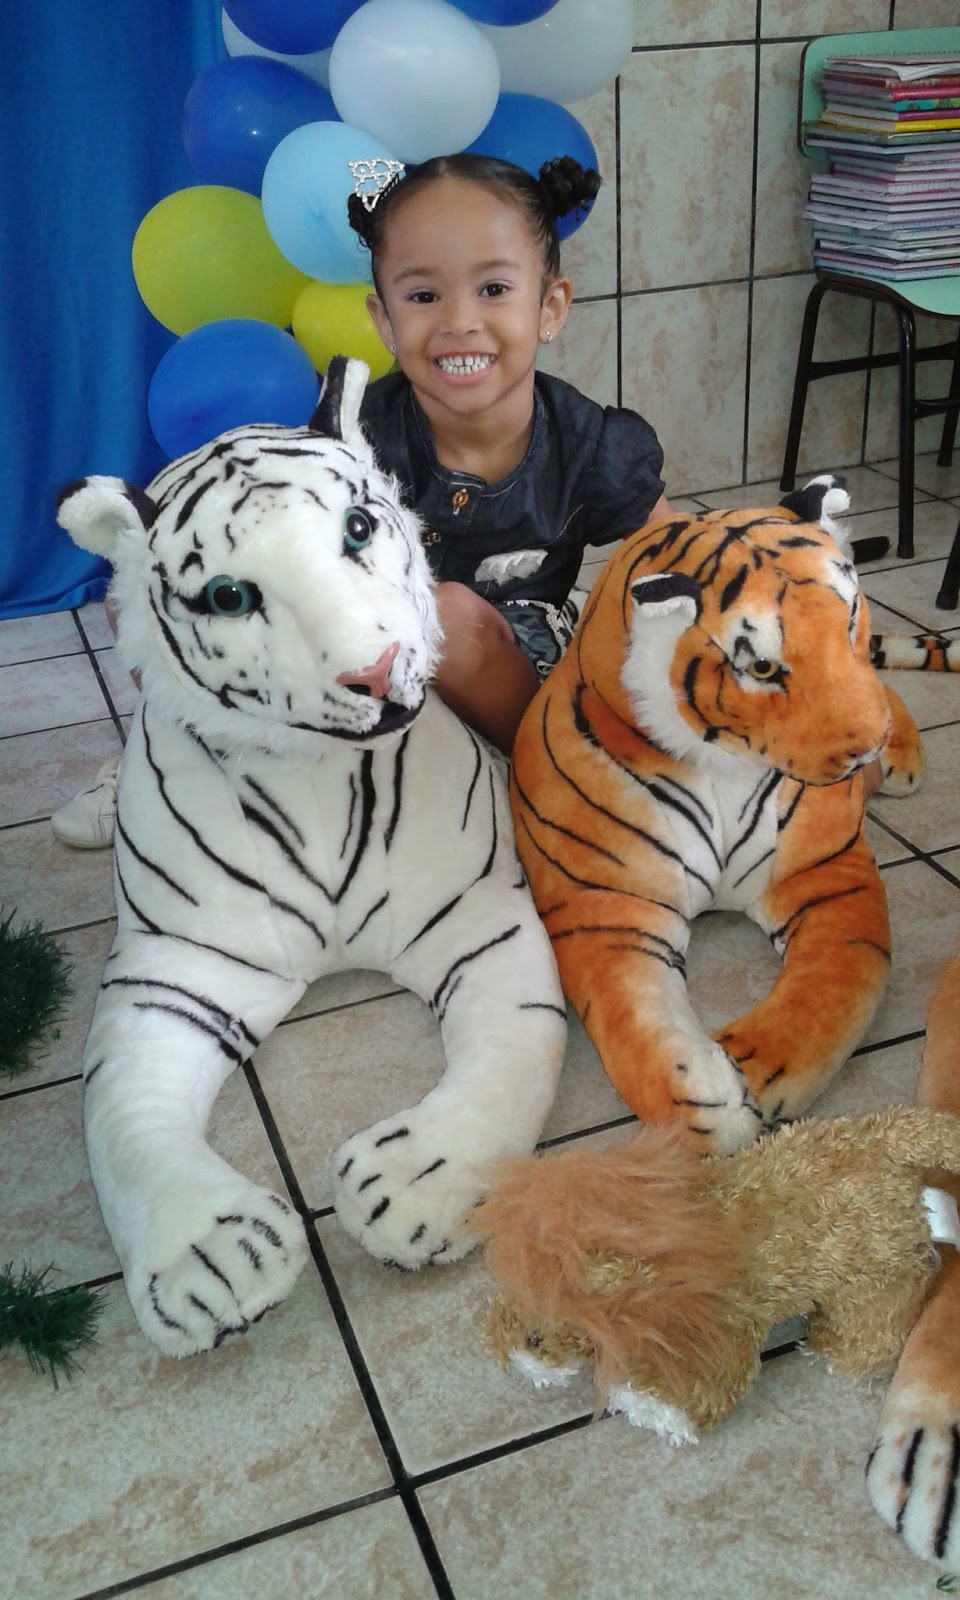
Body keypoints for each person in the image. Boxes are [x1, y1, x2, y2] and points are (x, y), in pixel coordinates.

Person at [53, 151, 671, 847]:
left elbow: (679, 557)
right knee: (153, 589)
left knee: (450, 616)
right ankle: (187, 762)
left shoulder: (591, 443)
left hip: (506, 662)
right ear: (383, 320)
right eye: (423, 296)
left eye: (494, 289)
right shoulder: (353, 436)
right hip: (357, 645)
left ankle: (543, 780)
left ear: (549, 307)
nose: (459, 321)